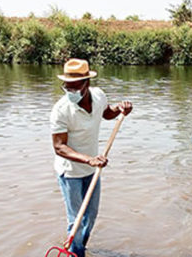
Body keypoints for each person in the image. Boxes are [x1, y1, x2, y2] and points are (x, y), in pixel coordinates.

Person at [50, 58, 132, 257]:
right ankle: (76, 252)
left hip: (92, 170)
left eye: (74, 88)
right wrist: (89, 159)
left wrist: (120, 109)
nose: (70, 92)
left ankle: (78, 247)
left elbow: (106, 113)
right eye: (67, 88)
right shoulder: (61, 110)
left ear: (86, 84)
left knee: (91, 217)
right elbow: (59, 147)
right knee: (75, 220)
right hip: (70, 173)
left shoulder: (98, 96)